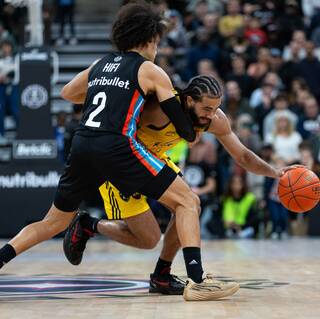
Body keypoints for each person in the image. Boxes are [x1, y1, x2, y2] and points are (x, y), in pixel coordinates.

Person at [0, 2, 239, 302]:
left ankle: (2, 258)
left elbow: (67, 93)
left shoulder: (101, 63)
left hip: (83, 142)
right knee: (187, 201)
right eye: (157, 41)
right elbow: (183, 127)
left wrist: (111, 89)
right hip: (116, 145)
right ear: (150, 39)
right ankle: (198, 279)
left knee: (52, 222)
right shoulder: (150, 70)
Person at [63, 74, 300, 295]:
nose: (211, 114)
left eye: (216, 108)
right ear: (188, 100)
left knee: (189, 205)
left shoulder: (214, 119)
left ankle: (162, 275)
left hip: (155, 161)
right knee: (148, 239)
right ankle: (88, 225)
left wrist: (275, 172)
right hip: (121, 165)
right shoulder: (158, 110)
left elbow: (243, 156)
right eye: (206, 108)